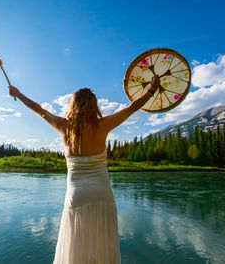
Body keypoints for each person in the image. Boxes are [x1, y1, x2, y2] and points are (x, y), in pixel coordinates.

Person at [8, 75, 160, 264]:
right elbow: (132, 108)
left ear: (74, 105)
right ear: (94, 106)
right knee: (103, 245)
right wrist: (152, 90)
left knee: (76, 245)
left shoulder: (64, 126)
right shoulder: (103, 125)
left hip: (76, 196)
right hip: (101, 195)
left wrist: (19, 94)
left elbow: (39, 110)